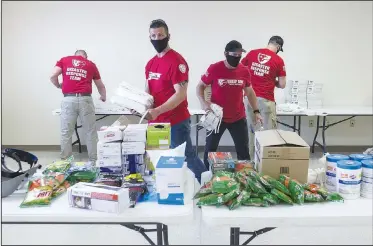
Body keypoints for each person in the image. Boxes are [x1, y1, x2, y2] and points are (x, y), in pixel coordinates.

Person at [142, 19, 206, 182]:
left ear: (168, 36)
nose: (157, 38)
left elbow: (180, 94)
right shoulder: (150, 63)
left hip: (175, 121)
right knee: (157, 158)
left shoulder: (177, 61)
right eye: (153, 36)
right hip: (156, 122)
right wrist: (141, 104)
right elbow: (148, 90)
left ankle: (208, 183)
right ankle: (165, 187)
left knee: (186, 157)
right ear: (149, 37)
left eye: (160, 35)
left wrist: (157, 110)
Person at [196, 40, 263, 170]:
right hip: (217, 118)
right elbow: (200, 87)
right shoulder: (214, 68)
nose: (237, 58)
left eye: (239, 55)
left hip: (238, 117)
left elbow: (249, 92)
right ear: (226, 54)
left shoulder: (244, 71)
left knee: (243, 152)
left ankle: (246, 177)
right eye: (234, 54)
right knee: (210, 150)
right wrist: (204, 103)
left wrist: (256, 111)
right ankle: (206, 177)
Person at [49, 50, 106, 162]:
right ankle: (94, 161)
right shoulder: (90, 64)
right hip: (86, 99)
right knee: (90, 132)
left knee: (66, 132)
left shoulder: (64, 60)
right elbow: (100, 86)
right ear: (85, 56)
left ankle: (66, 162)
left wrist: (58, 85)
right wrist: (103, 97)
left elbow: (52, 75)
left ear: (75, 55)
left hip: (69, 99)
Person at [241, 36, 287, 160]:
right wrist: (273, 81)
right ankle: (267, 162)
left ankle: (251, 161)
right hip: (266, 100)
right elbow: (282, 84)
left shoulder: (252, 54)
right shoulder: (278, 60)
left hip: (249, 99)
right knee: (269, 133)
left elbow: (240, 70)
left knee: (251, 132)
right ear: (278, 47)